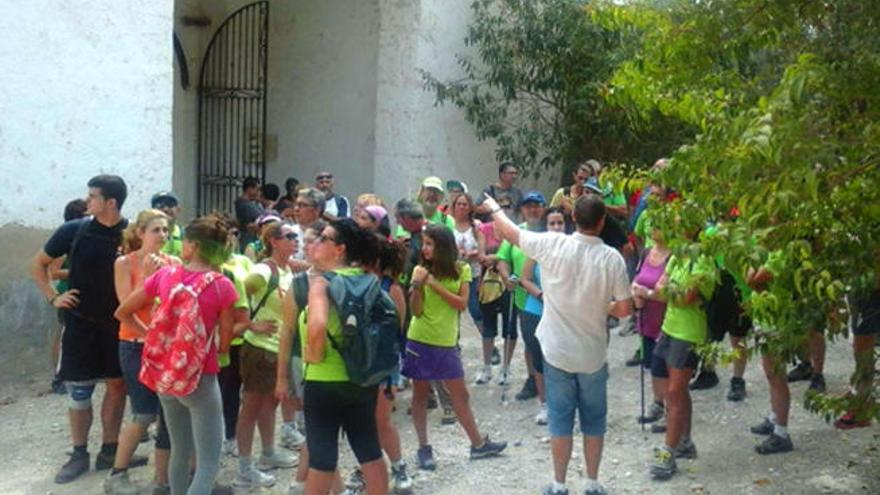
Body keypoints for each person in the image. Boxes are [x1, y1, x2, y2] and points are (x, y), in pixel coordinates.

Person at [484, 193, 632, 495]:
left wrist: (494, 208)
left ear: (573, 218)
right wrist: (602, 305)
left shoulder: (552, 244)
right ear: (602, 222)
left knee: (560, 420)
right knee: (594, 419)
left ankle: (559, 483)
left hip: (557, 351)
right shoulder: (611, 258)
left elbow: (511, 233)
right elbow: (625, 308)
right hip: (592, 354)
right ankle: (592, 482)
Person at [115, 215, 238, 495]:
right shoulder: (222, 285)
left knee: (179, 451)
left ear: (192, 245)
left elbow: (122, 312)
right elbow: (224, 344)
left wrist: (151, 337)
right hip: (200, 377)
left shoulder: (165, 275)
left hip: (166, 375)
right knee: (207, 462)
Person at [30, 175, 131, 484]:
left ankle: (110, 451)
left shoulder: (131, 234)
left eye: (93, 196)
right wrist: (53, 297)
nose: (88, 202)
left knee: (117, 386)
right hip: (81, 324)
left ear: (111, 202)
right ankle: (78, 453)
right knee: (80, 391)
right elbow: (38, 264)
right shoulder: (74, 230)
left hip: (118, 325)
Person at [405, 224, 507, 470]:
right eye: (424, 244)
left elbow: (461, 304)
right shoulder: (419, 270)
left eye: (430, 244)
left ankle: (477, 444)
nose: (425, 248)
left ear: (442, 246)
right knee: (419, 396)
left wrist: (433, 284)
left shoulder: (461, 270)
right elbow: (416, 311)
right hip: (420, 339)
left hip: (447, 342)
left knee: (460, 395)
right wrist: (417, 287)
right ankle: (423, 447)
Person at [297, 219, 389, 494]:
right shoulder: (367, 280)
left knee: (322, 456)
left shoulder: (321, 284)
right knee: (369, 450)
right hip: (361, 378)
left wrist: (312, 355)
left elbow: (317, 325)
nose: (316, 243)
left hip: (323, 380)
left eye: (324, 239)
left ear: (340, 249)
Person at [104, 209, 176, 495]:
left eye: (165, 230)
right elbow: (125, 308)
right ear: (140, 233)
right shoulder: (124, 263)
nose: (162, 236)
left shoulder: (173, 262)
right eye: (156, 230)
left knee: (169, 415)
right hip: (135, 346)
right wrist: (148, 278)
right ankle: (116, 474)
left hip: (166, 349)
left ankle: (161, 480)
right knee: (143, 414)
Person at [341, 237, 415, 494]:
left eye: (363, 258)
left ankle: (398, 467)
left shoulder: (391, 289)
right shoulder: (352, 284)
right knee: (363, 423)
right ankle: (366, 470)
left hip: (383, 364)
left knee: (381, 421)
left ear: (374, 261)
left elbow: (398, 330)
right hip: (359, 363)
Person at [236, 221, 300, 488]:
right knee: (250, 407)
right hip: (260, 349)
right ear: (274, 241)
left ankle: (268, 452)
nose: (296, 240)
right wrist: (249, 323)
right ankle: (243, 468)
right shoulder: (264, 269)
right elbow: (237, 292)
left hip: (277, 349)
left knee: (269, 404)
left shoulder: (287, 269)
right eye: (290, 236)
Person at [649, 248, 716, 480]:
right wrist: (674, 293)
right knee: (677, 391)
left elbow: (686, 296)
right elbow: (659, 290)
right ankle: (684, 442)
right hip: (670, 327)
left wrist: (669, 292)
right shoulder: (677, 255)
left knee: (675, 392)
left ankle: (668, 451)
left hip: (689, 333)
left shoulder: (704, 259)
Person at [494, 191, 546, 395]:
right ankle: (533, 378)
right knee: (529, 336)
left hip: (549, 290)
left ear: (543, 207)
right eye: (528, 206)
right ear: (522, 210)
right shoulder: (515, 232)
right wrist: (506, 277)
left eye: (537, 205)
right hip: (522, 291)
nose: (533, 210)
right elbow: (502, 259)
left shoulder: (550, 228)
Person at [519, 207, 567, 425]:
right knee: (539, 357)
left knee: (562, 358)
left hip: (564, 312)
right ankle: (545, 403)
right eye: (552, 223)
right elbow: (525, 278)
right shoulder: (536, 249)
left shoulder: (573, 249)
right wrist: (540, 294)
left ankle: (565, 403)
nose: (556, 227)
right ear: (545, 226)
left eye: (560, 223)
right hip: (536, 310)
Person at [629, 227, 671, 427]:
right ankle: (658, 403)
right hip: (646, 317)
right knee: (652, 364)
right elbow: (636, 278)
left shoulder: (674, 257)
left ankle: (670, 410)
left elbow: (668, 293)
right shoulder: (646, 252)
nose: (653, 230)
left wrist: (646, 293)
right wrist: (636, 292)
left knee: (664, 366)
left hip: (667, 319)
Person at [47, 198, 89, 394]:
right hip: (67, 294)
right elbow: (53, 272)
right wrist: (81, 271)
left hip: (84, 294)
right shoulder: (65, 242)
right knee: (64, 337)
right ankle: (59, 378)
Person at [449, 192, 486, 343]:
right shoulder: (449, 225)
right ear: (454, 206)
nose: (462, 207)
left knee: (475, 310)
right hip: (452, 273)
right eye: (459, 204)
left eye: (465, 204)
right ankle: (453, 343)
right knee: (453, 311)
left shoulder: (476, 226)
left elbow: (484, 250)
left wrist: (472, 253)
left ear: (471, 207)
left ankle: (487, 341)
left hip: (473, 274)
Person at [236, 176, 265, 250]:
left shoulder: (252, 203)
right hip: (248, 238)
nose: (258, 192)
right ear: (249, 189)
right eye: (257, 189)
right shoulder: (243, 204)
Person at [152, 191, 183, 257]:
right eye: (160, 205)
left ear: (178, 210)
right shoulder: (146, 236)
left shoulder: (185, 235)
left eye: (170, 204)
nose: (165, 209)